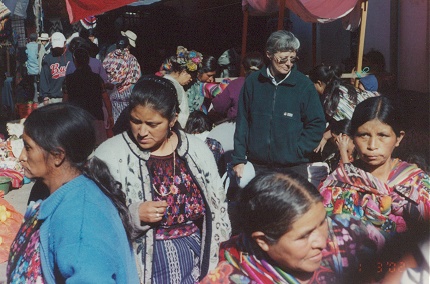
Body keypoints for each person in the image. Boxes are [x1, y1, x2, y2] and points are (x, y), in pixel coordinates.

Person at [94, 76, 231, 283]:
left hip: (195, 256)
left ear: (173, 119)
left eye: (152, 124)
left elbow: (217, 208)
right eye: (135, 121)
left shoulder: (197, 151)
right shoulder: (110, 155)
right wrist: (133, 214)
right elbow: (93, 215)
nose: (142, 132)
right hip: (140, 262)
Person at [6, 103, 139, 283]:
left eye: (28, 147)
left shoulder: (80, 217)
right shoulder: (47, 192)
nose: (21, 156)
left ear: (57, 156)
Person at [201, 171, 374, 283]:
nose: (321, 242)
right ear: (263, 241)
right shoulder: (229, 279)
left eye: (322, 222)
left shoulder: (348, 231)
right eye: (304, 236)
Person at [318, 96, 430, 269]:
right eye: (364, 135)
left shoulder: (417, 184)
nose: (372, 145)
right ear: (353, 137)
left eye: (383, 135)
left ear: (398, 138)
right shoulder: (338, 181)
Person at [232, 30, 326, 180]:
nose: (288, 64)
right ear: (269, 54)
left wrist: (298, 150)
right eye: (283, 59)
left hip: (293, 167)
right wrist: (238, 159)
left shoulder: (304, 85)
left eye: (292, 59)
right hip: (258, 165)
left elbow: (317, 123)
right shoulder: (253, 82)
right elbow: (243, 121)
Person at [308, 64, 380, 154]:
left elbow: (347, 123)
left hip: (371, 129)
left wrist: (325, 137)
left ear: (319, 83)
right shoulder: (345, 88)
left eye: (312, 85)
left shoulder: (331, 100)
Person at [64, 48, 113, 145]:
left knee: (81, 148)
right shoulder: (96, 78)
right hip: (96, 118)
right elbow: (106, 98)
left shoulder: (68, 80)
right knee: (98, 150)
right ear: (88, 60)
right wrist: (110, 115)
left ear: (75, 61)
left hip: (77, 120)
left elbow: (65, 101)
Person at [210, 51, 265, 122]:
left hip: (236, 125)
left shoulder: (236, 84)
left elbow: (219, 106)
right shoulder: (269, 85)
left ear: (243, 68)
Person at [161, 46, 203, 128]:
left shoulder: (164, 81)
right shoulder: (175, 86)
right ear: (184, 72)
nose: (191, 79)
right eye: (191, 76)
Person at [103, 35, 141, 123]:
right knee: (124, 120)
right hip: (124, 93)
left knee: (112, 119)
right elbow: (135, 77)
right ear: (128, 46)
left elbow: (103, 71)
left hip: (109, 91)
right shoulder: (131, 58)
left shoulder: (109, 56)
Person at [39, 32, 73, 105]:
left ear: (64, 43)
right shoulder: (48, 58)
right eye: (56, 47)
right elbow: (44, 78)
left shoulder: (71, 56)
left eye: (59, 47)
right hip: (54, 98)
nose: (58, 49)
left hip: (71, 97)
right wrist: (45, 97)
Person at [25, 33, 40, 102]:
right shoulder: (38, 46)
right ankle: (36, 98)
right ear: (36, 39)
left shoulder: (27, 46)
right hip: (38, 69)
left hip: (30, 70)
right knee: (36, 83)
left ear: (29, 39)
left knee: (31, 84)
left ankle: (33, 98)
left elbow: (25, 57)